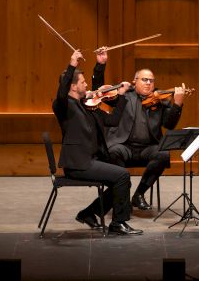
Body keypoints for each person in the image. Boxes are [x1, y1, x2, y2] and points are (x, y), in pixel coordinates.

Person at [53, 50, 142, 235]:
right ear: (72, 86)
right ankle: (118, 223)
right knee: (122, 176)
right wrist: (72, 64)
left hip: (90, 160)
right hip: (78, 164)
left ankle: (89, 213)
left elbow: (113, 120)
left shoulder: (88, 107)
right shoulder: (64, 106)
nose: (87, 85)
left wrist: (122, 95)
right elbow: (61, 92)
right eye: (83, 82)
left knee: (122, 181)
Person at [92, 50, 185, 210]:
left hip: (147, 148)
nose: (148, 83)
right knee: (114, 151)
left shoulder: (160, 100)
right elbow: (99, 92)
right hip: (124, 146)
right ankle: (122, 197)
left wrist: (177, 104)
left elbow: (169, 125)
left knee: (163, 154)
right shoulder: (124, 96)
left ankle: (139, 194)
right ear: (135, 82)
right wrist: (100, 65)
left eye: (151, 80)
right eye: (144, 80)